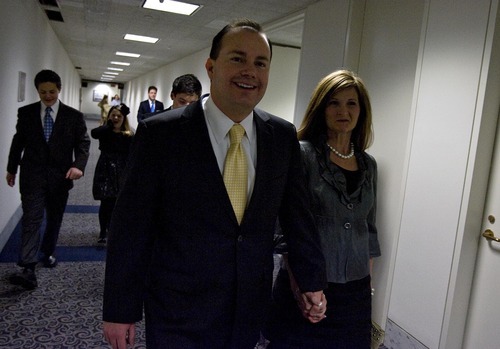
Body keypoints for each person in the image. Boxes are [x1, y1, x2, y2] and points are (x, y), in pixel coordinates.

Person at [102, 18, 327, 349]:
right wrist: (120, 309)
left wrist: (310, 281)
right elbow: (131, 227)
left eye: (260, 63)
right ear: (210, 66)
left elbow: (298, 217)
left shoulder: (281, 137)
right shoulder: (161, 134)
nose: (250, 71)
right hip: (178, 308)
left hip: (248, 306)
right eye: (237, 59)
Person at [266, 70, 381, 348]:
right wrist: (301, 288)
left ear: (361, 110)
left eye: (351, 103)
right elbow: (288, 233)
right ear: (321, 108)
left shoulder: (369, 165)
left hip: (355, 294)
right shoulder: (301, 155)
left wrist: (367, 289)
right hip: (309, 286)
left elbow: (369, 230)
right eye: (334, 103)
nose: (344, 110)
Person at [6, 69, 90, 290]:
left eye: (52, 91)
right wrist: (11, 168)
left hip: (59, 178)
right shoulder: (26, 113)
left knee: (54, 219)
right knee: (31, 219)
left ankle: (48, 251)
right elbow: (18, 142)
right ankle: (28, 267)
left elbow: (83, 144)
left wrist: (78, 166)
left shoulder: (73, 116)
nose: (48, 96)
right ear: (37, 91)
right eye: (43, 92)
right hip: (32, 176)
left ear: (59, 90)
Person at [91, 104, 134, 244]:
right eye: (113, 115)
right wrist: (108, 126)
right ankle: (103, 231)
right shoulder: (105, 131)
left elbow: (132, 155)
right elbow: (94, 133)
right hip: (105, 169)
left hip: (121, 170)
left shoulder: (128, 135)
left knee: (117, 203)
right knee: (105, 202)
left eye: (119, 116)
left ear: (124, 118)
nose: (116, 118)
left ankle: (113, 228)